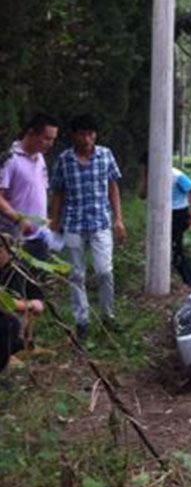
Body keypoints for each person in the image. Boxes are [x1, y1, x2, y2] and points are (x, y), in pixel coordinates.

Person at [50, 114, 125, 340]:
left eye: (91, 133)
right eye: (82, 133)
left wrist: (118, 219)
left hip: (101, 222)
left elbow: (113, 187)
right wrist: (55, 220)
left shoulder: (105, 155)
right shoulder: (64, 159)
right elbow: (58, 192)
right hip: (73, 223)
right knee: (76, 274)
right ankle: (81, 320)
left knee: (104, 271)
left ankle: (107, 315)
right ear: (74, 134)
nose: (87, 138)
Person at [0, 113, 60, 261]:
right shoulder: (10, 159)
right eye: (46, 138)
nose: (50, 144)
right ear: (31, 133)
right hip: (13, 236)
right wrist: (18, 219)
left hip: (39, 235)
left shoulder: (40, 158)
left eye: (53, 139)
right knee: (14, 281)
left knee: (37, 281)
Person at [139, 155, 191, 288]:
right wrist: (147, 179)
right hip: (160, 215)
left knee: (175, 249)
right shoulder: (152, 177)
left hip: (178, 215)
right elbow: (142, 195)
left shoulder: (176, 175)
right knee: (163, 247)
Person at [0, 236, 45, 372]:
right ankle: (7, 354)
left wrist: (36, 304)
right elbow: (4, 302)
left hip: (17, 317)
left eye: (2, 250)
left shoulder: (19, 269)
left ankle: (26, 344)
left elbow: (37, 296)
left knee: (18, 316)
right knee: (9, 321)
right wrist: (28, 305)